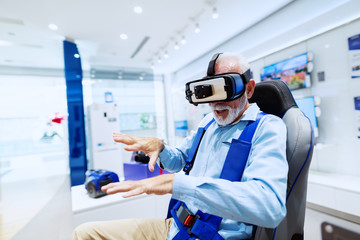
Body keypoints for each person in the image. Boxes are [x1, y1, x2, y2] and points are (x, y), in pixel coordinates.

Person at [72, 53, 288, 240]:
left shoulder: (267, 128)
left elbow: (270, 206)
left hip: (215, 235)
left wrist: (180, 184)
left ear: (249, 89)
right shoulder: (208, 124)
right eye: (209, 92)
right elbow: (181, 160)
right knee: (85, 233)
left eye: (225, 89)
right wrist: (162, 148)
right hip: (175, 228)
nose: (214, 103)